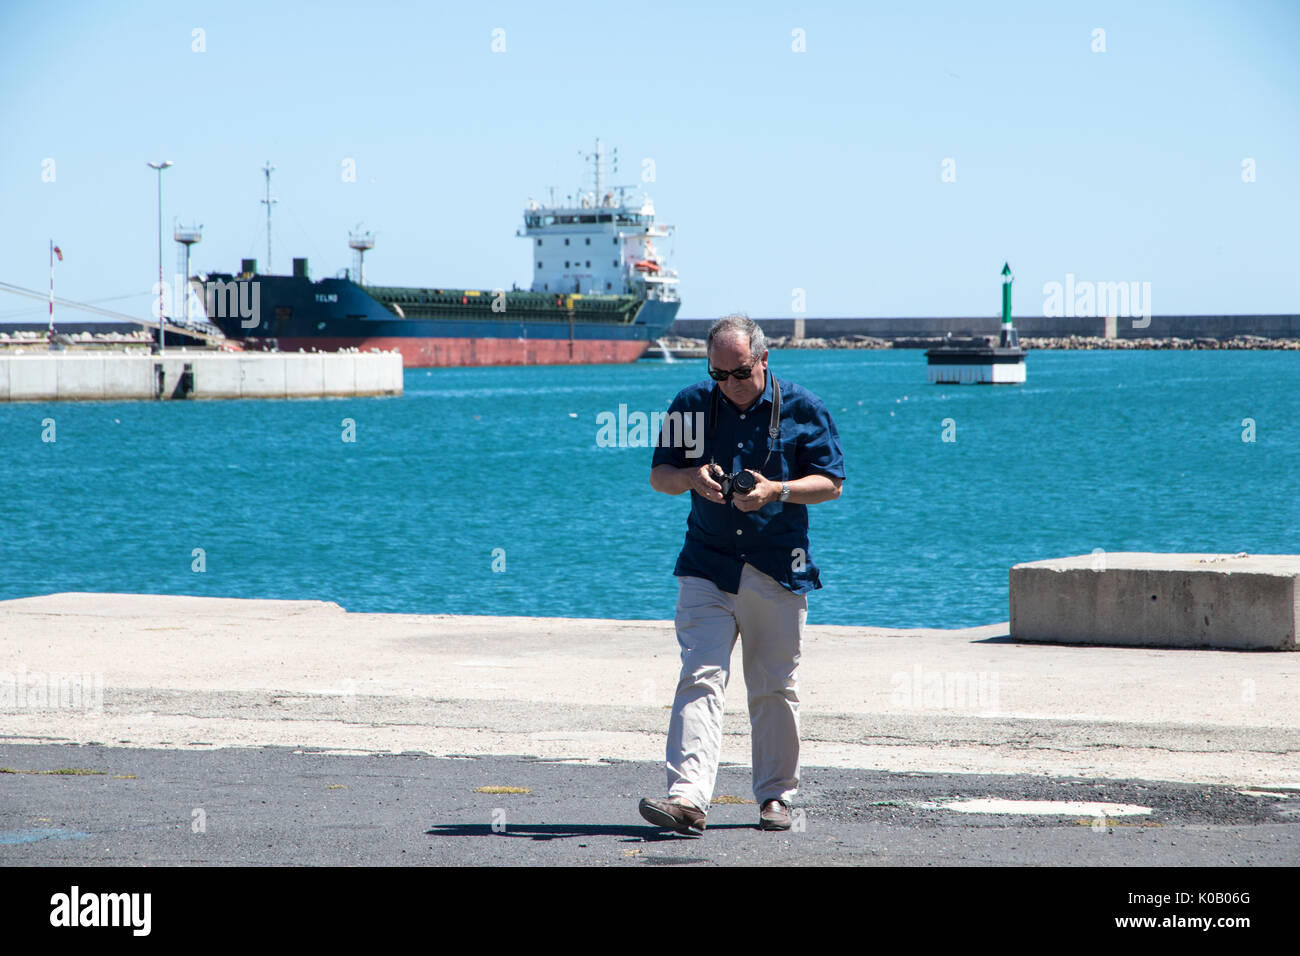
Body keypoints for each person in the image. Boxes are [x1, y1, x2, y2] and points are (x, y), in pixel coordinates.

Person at [639, 313, 845, 835]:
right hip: (706, 565)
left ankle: (776, 797)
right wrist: (691, 476)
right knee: (700, 678)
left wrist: (775, 490)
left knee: (773, 686)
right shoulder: (690, 405)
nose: (728, 385)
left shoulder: (803, 408)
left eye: (739, 373)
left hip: (776, 568)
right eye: (718, 375)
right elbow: (659, 475)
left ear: (764, 359)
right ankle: (686, 799)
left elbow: (831, 484)